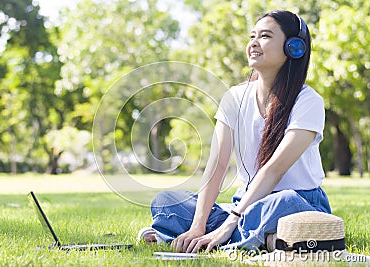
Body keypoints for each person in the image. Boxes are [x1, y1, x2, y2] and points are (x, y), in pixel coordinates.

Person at [138, 10, 331, 253]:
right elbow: (217, 166)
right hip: (246, 206)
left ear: (293, 47)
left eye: (265, 36)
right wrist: (198, 225)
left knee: (284, 202)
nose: (254, 43)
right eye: (252, 36)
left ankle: (226, 235)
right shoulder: (235, 98)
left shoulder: (308, 101)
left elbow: (274, 170)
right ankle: (262, 239)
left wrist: (230, 222)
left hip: (298, 203)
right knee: (167, 202)